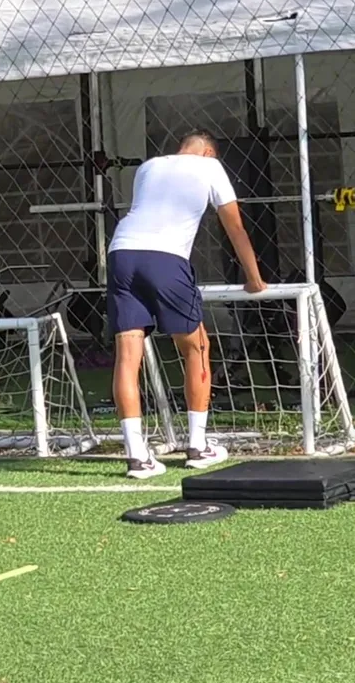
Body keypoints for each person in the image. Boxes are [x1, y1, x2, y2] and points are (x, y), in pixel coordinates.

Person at [106, 130, 267, 479]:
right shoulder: (210, 167)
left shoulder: (148, 167)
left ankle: (137, 457)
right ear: (208, 152)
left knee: (128, 356)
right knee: (197, 346)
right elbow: (235, 227)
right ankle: (197, 445)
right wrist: (254, 278)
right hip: (165, 258)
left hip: (121, 254)